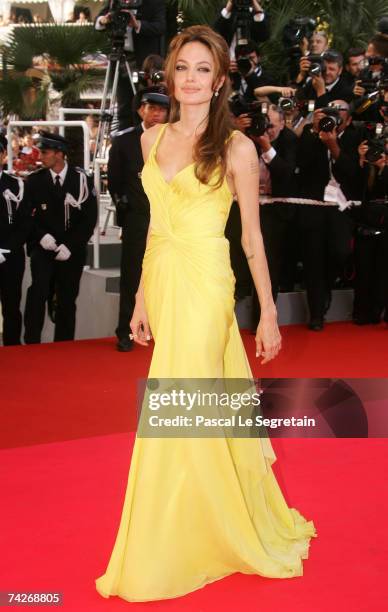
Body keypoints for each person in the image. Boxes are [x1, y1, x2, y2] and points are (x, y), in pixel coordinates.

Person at [95, 25, 316, 603]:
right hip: (165, 282)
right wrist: (141, 297)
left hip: (206, 281)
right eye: (183, 68)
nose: (191, 79)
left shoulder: (237, 148)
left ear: (219, 82)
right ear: (170, 75)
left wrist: (268, 311)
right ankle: (202, 521)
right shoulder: (149, 140)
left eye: (203, 70)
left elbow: (251, 239)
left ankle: (169, 538)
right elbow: (151, 229)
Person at [108, 89, 169, 352]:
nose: (156, 114)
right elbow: (115, 183)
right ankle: (126, 332)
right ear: (140, 109)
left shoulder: (174, 139)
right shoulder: (123, 141)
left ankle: (163, 331)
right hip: (139, 220)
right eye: (151, 108)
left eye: (161, 109)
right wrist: (130, 210)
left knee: (168, 278)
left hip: (170, 221)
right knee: (132, 278)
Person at [23, 132, 97, 344]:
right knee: (38, 291)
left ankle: (64, 346)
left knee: (67, 298)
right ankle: (31, 342)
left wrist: (70, 245)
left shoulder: (81, 180)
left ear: (59, 154)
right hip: (43, 248)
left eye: (44, 152)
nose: (41, 156)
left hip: (71, 250)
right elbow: (27, 216)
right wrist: (41, 236)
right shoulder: (35, 181)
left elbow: (88, 219)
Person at [297, 101, 361, 331]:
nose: (333, 116)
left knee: (340, 252)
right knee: (313, 261)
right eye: (329, 112)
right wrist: (315, 133)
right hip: (313, 207)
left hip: (341, 208)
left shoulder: (355, 139)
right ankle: (316, 314)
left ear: (349, 119)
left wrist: (334, 146)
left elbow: (353, 174)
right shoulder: (310, 135)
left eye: (339, 112)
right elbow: (301, 165)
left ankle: (328, 285)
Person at [95, 0, 166, 131]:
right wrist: (105, 20)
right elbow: (98, 21)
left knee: (142, 103)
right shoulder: (113, 2)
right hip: (120, 57)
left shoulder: (154, 3)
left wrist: (137, 24)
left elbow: (160, 26)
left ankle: (142, 138)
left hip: (142, 61)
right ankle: (124, 140)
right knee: (123, 105)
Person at [0, 135, 30, 345]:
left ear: (3, 155)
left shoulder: (17, 185)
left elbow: (24, 223)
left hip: (11, 257)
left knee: (11, 307)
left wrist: (7, 249)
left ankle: (12, 351)